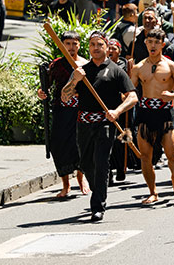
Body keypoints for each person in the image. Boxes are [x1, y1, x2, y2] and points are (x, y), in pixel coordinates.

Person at [60, 31, 138, 222]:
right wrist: (75, 79)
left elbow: (133, 97)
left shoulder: (115, 70)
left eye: (100, 44)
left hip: (105, 123)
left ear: (106, 47)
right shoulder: (81, 71)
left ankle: (98, 206)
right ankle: (98, 190)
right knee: (87, 164)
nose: (96, 48)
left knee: (101, 162)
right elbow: (65, 96)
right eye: (92, 44)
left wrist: (117, 111)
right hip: (84, 124)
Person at [130, 28, 174, 204]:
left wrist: (173, 95)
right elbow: (130, 90)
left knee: (173, 154)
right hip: (145, 113)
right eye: (150, 42)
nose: (153, 45)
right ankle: (152, 192)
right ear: (145, 43)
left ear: (163, 44)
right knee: (145, 156)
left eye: (157, 42)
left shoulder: (171, 66)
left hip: (165, 113)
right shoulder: (138, 67)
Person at [37, 31, 90, 198]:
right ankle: (66, 185)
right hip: (61, 111)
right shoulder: (56, 65)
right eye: (68, 44)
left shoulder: (86, 64)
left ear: (79, 45)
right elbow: (46, 86)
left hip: (80, 111)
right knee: (59, 146)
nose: (71, 47)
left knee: (80, 144)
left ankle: (81, 178)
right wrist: (41, 92)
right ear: (62, 45)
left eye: (74, 44)